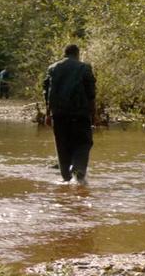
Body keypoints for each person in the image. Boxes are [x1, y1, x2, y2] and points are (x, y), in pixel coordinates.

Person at [43, 44, 97, 185]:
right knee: (83, 142)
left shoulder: (53, 68)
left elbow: (46, 92)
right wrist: (94, 114)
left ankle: (66, 178)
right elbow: (91, 94)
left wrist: (48, 114)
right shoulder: (84, 68)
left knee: (62, 145)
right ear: (77, 54)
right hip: (80, 113)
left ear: (65, 54)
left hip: (59, 114)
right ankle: (78, 170)